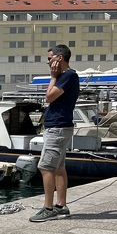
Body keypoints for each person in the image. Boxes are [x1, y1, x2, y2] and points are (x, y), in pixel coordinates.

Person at [30, 44, 79, 222]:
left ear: (59, 58)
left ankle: (49, 208)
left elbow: (49, 96)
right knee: (58, 167)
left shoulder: (68, 76)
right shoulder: (66, 77)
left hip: (58, 128)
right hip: (59, 127)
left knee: (45, 167)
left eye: (50, 58)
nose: (48, 62)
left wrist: (52, 76)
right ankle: (61, 205)